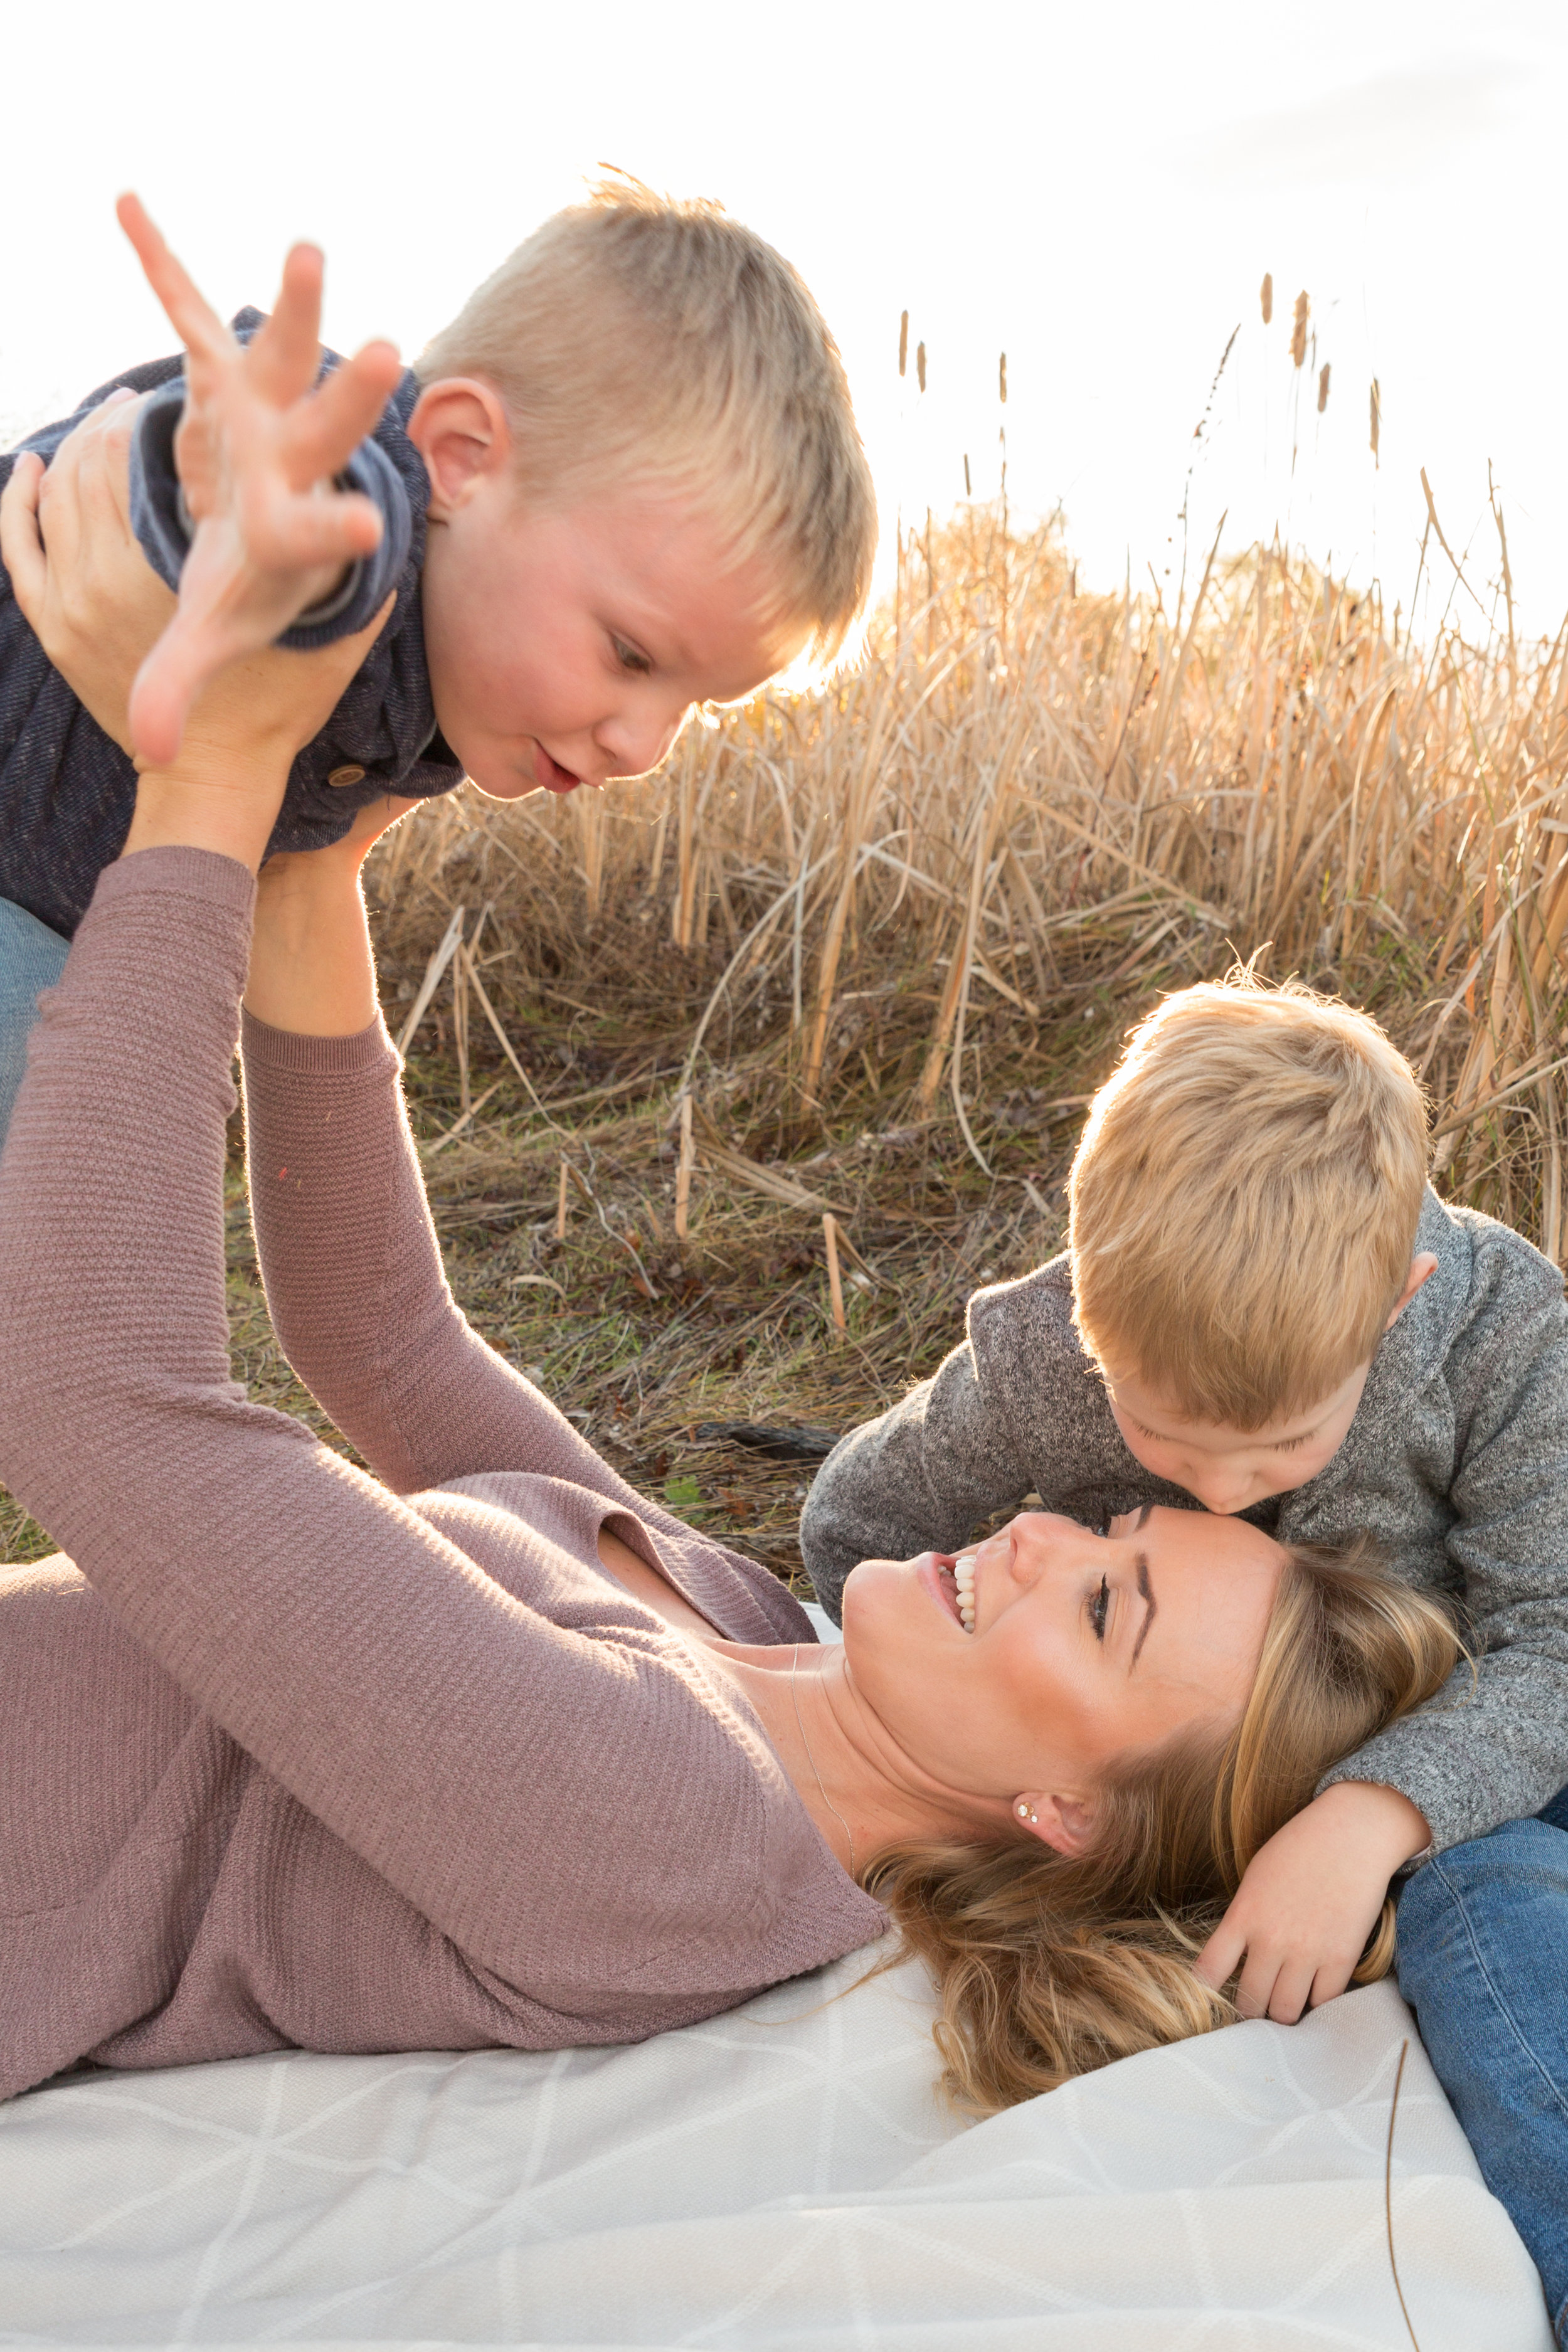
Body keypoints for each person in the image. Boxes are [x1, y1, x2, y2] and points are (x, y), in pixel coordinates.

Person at [0, 415, 1456, 2114]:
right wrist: (324, 812)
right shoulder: (748, 1619)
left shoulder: (671, 1834)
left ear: (1069, 1812)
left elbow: (99, 1410)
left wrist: (207, 781)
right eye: (1117, 1528)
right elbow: (379, 1340)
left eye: (1103, 1607)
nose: (1045, 1531)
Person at [801, 967, 1568, 2306]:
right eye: (1157, 1438)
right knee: (1491, 1914)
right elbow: (858, 1517)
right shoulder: (1046, 1353)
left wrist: (1373, 1816)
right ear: (1084, 1308)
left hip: (1472, 1741)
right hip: (1210, 1768)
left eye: (1280, 1442)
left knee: (1485, 1894)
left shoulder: (1501, 1338)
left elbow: (1551, 1643)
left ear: (1398, 1298)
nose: (1219, 1489)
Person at [0, 182, 876, 1147]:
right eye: (631, 655)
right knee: (60, 1073)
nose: (644, 745)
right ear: (458, 458)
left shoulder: (447, 693)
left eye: (696, 705)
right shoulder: (365, 510)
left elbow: (302, 882)